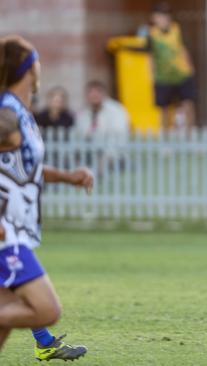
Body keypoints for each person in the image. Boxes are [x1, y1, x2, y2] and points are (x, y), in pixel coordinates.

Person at [0, 35, 93, 360]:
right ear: (29, 69)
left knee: (8, 317)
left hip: (15, 231)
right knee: (45, 309)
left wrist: (69, 177)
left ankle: (45, 344)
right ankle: (46, 342)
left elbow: (26, 168)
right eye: (37, 61)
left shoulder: (21, 114)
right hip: (4, 234)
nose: (41, 67)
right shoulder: (7, 116)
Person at [140, 2, 197, 130]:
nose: (163, 19)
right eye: (160, 16)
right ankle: (165, 138)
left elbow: (183, 48)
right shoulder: (151, 35)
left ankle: (190, 133)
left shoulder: (177, 29)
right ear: (153, 18)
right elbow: (150, 57)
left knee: (188, 104)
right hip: (163, 76)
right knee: (164, 109)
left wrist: (190, 67)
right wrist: (151, 75)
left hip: (182, 73)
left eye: (166, 16)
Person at [75, 80, 130, 168]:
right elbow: (80, 136)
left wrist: (107, 158)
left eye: (97, 92)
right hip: (89, 154)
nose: (94, 95)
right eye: (91, 92)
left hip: (114, 156)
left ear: (104, 94)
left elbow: (118, 137)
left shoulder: (116, 111)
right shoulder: (83, 113)